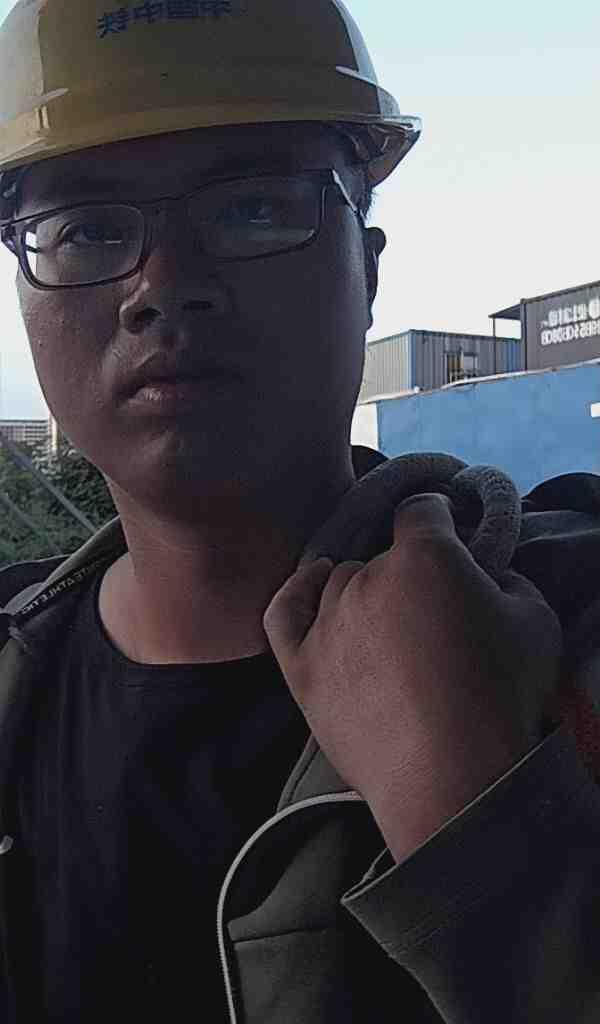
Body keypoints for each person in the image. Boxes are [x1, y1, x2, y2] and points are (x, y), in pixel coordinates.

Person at [0, 0, 599, 1021]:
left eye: (253, 208)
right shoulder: (11, 675)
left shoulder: (572, 618)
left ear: (368, 268)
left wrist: (479, 818)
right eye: (87, 227)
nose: (164, 287)